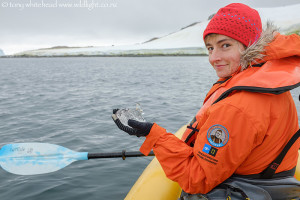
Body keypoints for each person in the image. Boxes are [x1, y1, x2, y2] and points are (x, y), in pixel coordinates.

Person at [112, 3, 300, 199]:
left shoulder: (236, 106)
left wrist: (155, 136)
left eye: (225, 45)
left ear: (250, 45)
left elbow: (197, 179)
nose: (214, 58)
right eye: (210, 48)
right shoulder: (268, 81)